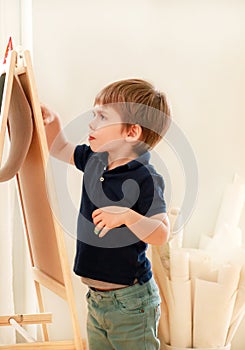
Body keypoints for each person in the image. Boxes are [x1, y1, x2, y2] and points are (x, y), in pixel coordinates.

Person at [41, 78, 171, 350]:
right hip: (96, 299)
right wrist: (54, 123)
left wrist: (127, 216)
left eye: (102, 116)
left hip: (131, 303)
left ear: (132, 132)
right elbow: (61, 149)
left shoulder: (146, 177)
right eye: (93, 114)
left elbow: (161, 233)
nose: (92, 123)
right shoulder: (94, 159)